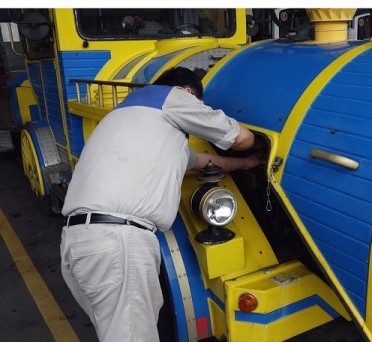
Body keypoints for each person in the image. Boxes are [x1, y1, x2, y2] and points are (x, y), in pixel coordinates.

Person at [60, 67, 261, 341]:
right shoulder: (172, 97)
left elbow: (201, 160)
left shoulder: (133, 117)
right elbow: (239, 138)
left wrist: (246, 164)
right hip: (119, 242)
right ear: (188, 93)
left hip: (79, 243)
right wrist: (254, 143)